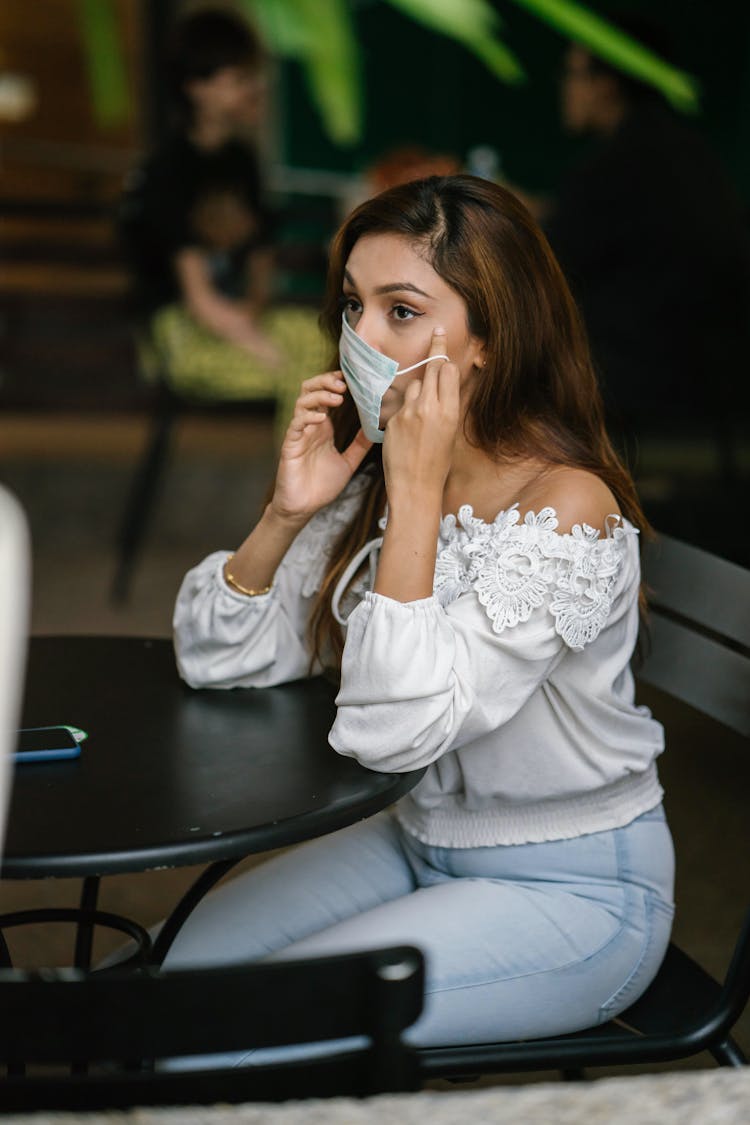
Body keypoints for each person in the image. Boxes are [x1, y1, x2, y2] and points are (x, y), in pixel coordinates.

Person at [167, 175, 675, 1055]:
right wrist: (287, 514)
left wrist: (415, 489)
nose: (359, 337)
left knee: (241, 1031)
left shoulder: (566, 504)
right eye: (353, 305)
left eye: (401, 311)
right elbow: (223, 661)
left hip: (576, 888)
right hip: (416, 837)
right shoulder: (374, 473)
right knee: (175, 980)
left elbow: (396, 731)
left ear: (488, 337)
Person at [541, 21, 750, 457]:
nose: (565, 88)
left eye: (573, 74)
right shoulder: (683, 152)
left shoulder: (617, 166)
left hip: (636, 374)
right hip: (710, 369)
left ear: (608, 85)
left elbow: (546, 265)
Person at [118, 6, 324, 438]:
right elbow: (198, 298)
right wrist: (256, 343)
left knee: (323, 345)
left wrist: (251, 311)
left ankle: (316, 492)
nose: (253, 90)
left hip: (242, 316)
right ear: (197, 88)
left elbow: (260, 258)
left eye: (253, 77)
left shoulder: (241, 162)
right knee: (301, 376)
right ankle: (296, 499)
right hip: (181, 332)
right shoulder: (169, 172)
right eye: (237, 80)